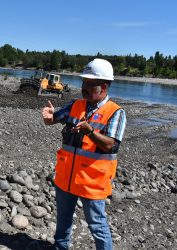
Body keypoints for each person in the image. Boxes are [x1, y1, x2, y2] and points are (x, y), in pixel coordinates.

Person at [42, 58, 126, 250]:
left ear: (103, 87)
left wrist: (89, 131)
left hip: (92, 182)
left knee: (97, 226)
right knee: (63, 222)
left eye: (89, 84)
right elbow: (52, 119)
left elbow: (111, 146)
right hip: (66, 178)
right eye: (83, 83)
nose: (84, 87)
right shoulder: (76, 105)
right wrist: (48, 115)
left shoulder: (116, 113)